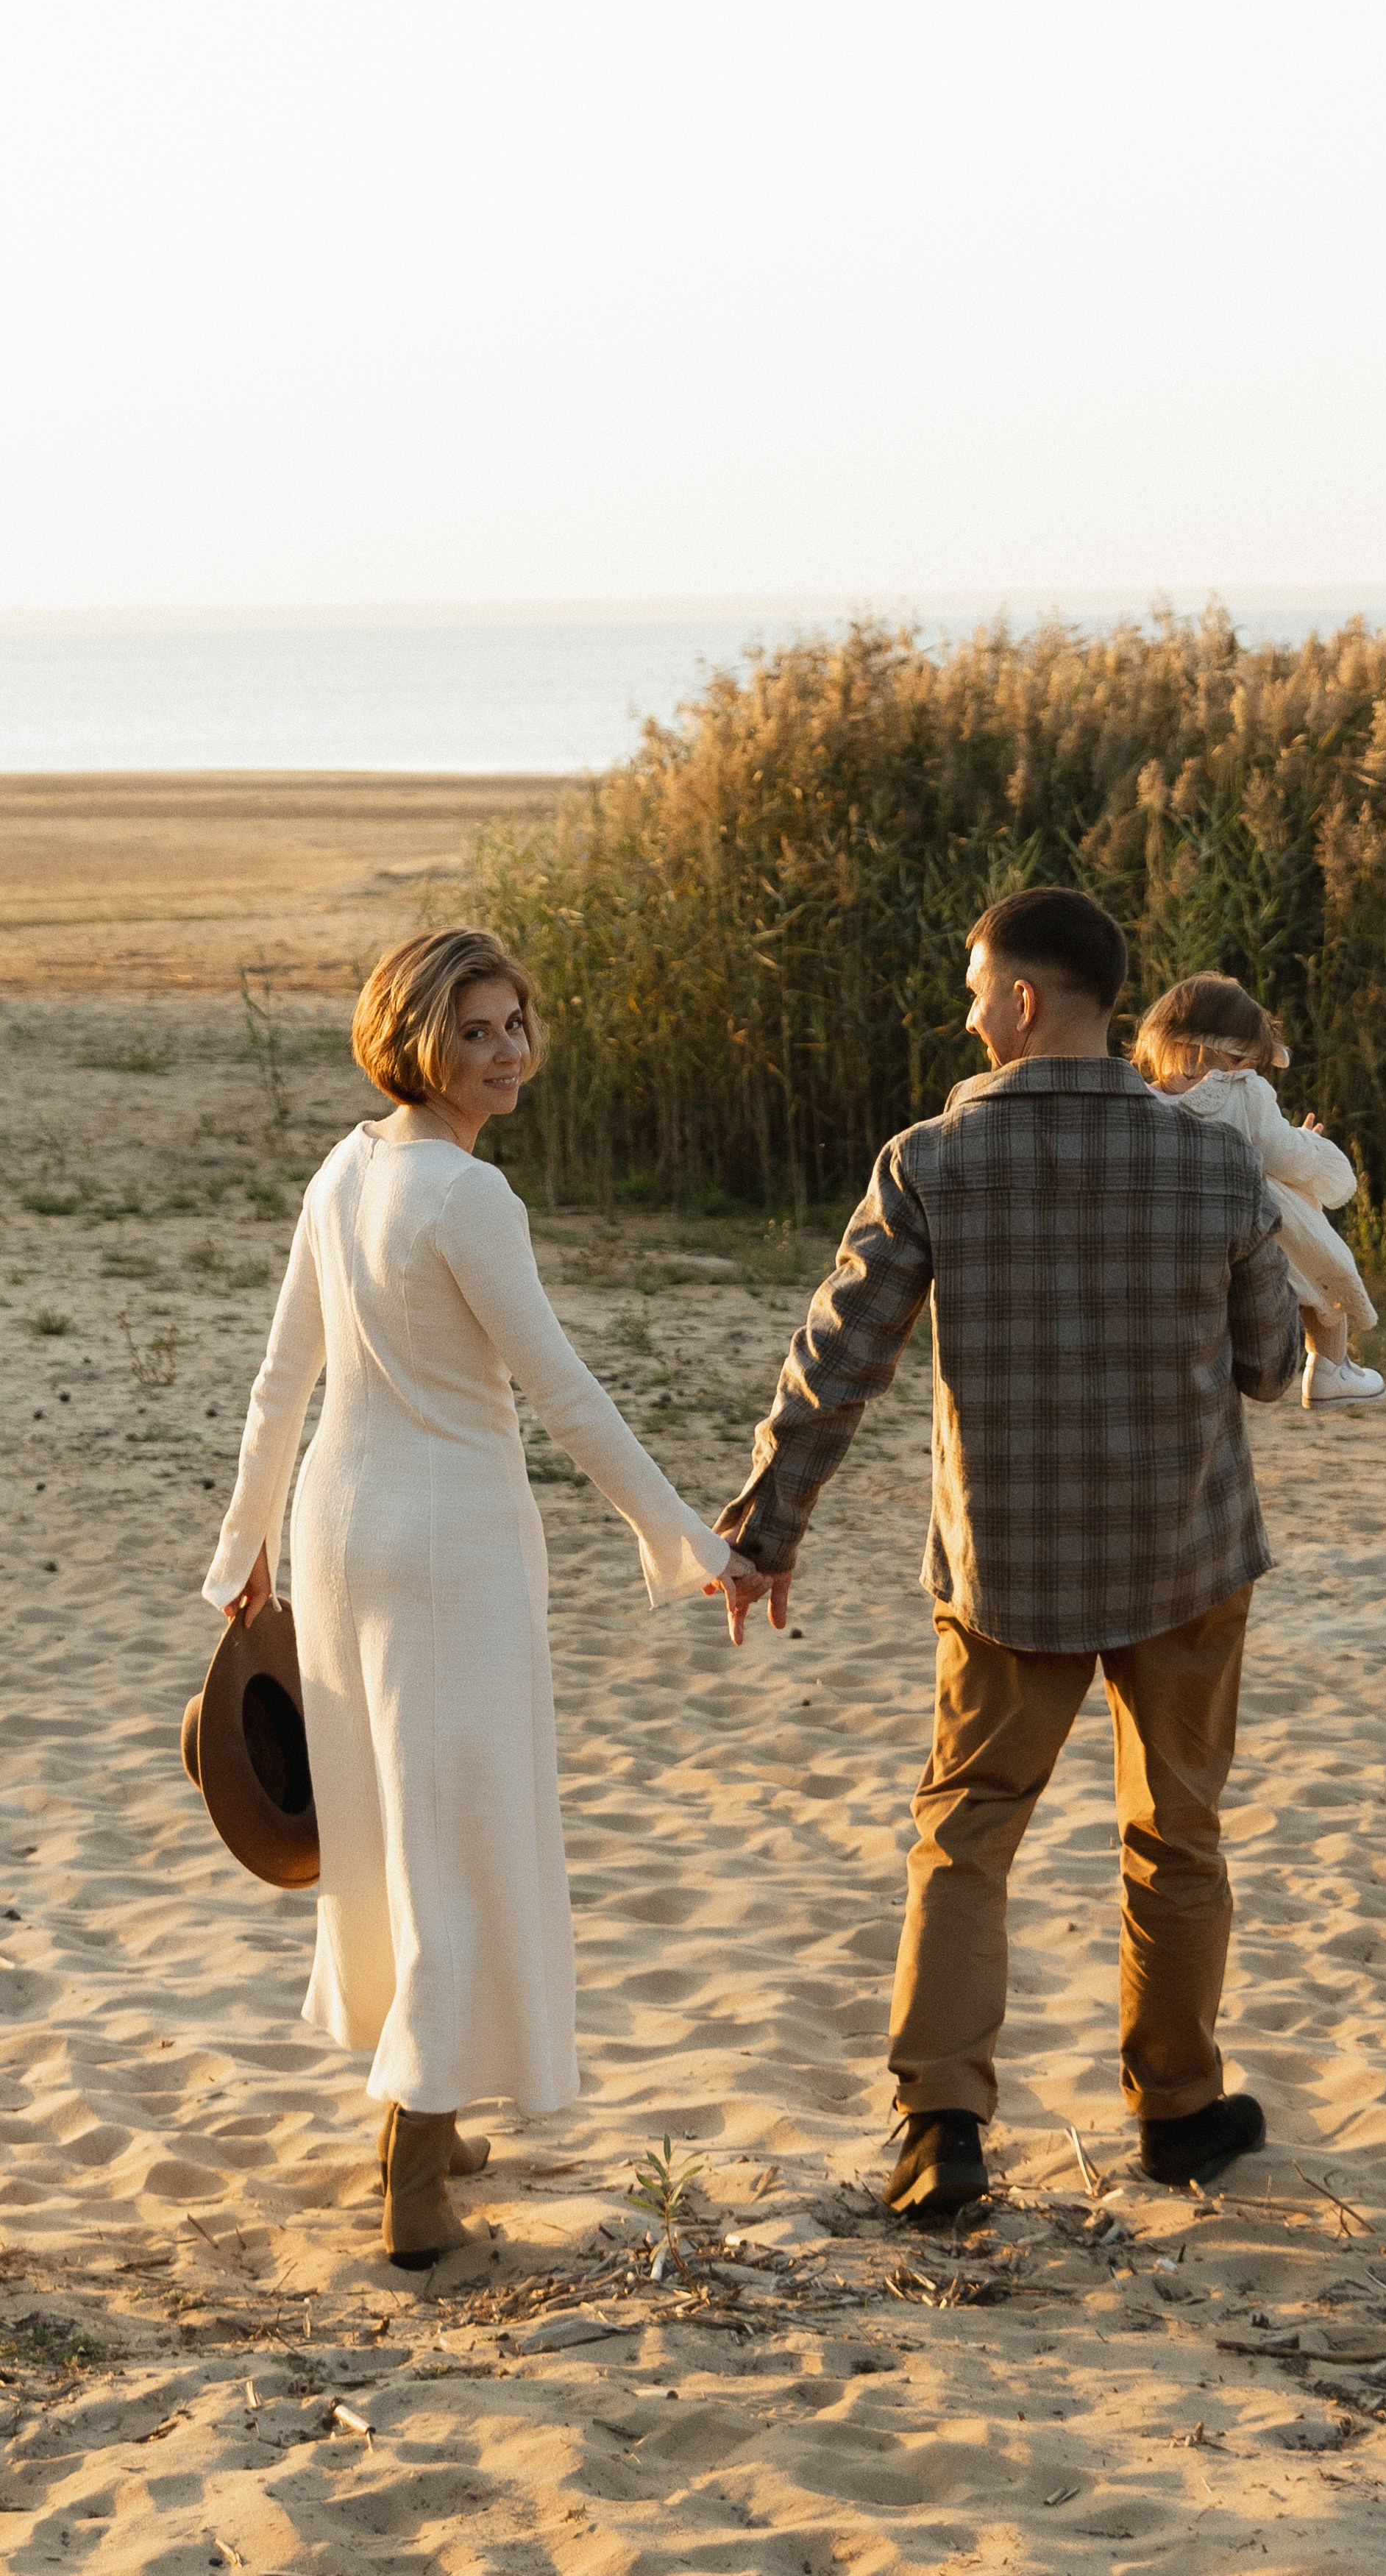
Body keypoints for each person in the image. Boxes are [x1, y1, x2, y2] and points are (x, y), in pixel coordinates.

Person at [717, 887, 1301, 2218]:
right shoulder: (1217, 1166)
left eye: (977, 989)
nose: (968, 1013)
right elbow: (1268, 1368)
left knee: (968, 1835)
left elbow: (837, 1361)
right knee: (1179, 1839)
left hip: (1007, 1577)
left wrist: (765, 1529)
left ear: (1026, 1002)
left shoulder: (931, 1161)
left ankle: (942, 2128)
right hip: (1184, 1561)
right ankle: (1178, 2110)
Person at [202, 928, 758, 2269]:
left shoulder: (343, 1170)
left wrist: (248, 1550)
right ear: (414, 1038)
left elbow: (283, 1383)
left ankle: (431, 2117)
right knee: (456, 1840)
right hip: (448, 1544)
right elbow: (561, 1392)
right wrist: (689, 1541)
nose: (506, 1054)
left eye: (515, 1025)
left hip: (340, 1532)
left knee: (394, 1828)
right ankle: (413, 2162)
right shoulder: (466, 1199)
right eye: (474, 1032)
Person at [1133, 973, 1385, 1408]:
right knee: (1319, 1255)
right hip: (1241, 1236)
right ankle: (1330, 1367)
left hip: (1164, 1240)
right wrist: (1313, 1145)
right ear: (1242, 1058)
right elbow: (1283, 1154)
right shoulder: (1242, 1092)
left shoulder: (1137, 1100)